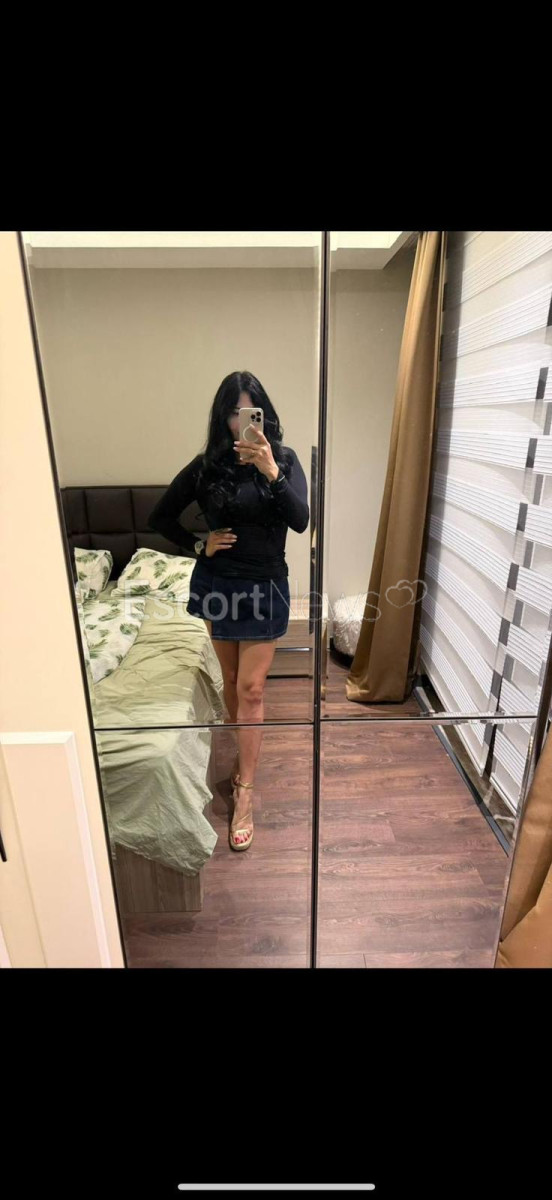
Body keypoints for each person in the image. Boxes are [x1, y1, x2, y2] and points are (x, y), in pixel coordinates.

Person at [147, 370, 310, 851]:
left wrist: (271, 471)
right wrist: (200, 543)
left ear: (263, 414)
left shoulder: (284, 459)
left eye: (249, 412)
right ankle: (245, 752)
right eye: (233, 413)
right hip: (219, 584)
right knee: (233, 681)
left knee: (252, 688)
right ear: (223, 418)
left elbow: (302, 520)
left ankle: (246, 789)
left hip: (265, 583)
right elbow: (160, 516)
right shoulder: (207, 467)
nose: (242, 422)